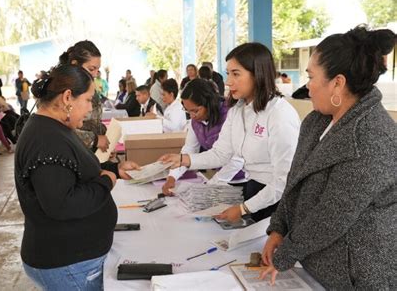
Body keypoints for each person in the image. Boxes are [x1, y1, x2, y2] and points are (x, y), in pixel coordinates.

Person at [259, 27, 396, 289]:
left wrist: (285, 254)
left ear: (338, 83)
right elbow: (294, 182)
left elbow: (332, 215)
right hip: (316, 266)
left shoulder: (372, 138)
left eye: (311, 77)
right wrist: (278, 228)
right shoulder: (316, 122)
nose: (307, 86)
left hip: (358, 276)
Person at [15, 64, 139, 290]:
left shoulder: (53, 128)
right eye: (89, 100)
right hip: (68, 263)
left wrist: (113, 169)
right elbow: (62, 204)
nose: (90, 109)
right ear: (67, 97)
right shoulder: (46, 140)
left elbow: (75, 172)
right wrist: (106, 181)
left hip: (71, 258)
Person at [162, 43, 301, 222]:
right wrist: (183, 159)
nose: (228, 82)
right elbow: (221, 153)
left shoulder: (279, 114)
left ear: (257, 73)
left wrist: (244, 208)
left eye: (236, 74)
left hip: (277, 200)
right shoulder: (238, 110)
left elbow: (284, 179)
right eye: (228, 74)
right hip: (254, 191)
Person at [161, 79, 232, 195]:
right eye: (188, 111)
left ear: (208, 103)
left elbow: (234, 160)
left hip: (242, 177)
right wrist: (172, 176)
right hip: (222, 177)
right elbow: (190, 149)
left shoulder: (229, 115)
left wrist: (212, 184)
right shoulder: (196, 121)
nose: (192, 116)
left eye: (195, 111)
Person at [58, 40, 109, 152]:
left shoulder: (89, 87)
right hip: (73, 152)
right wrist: (94, 140)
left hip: (91, 152)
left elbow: (93, 120)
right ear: (75, 64)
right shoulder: (60, 89)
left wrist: (104, 137)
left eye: (97, 69)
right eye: (91, 69)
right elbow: (57, 128)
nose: (95, 74)